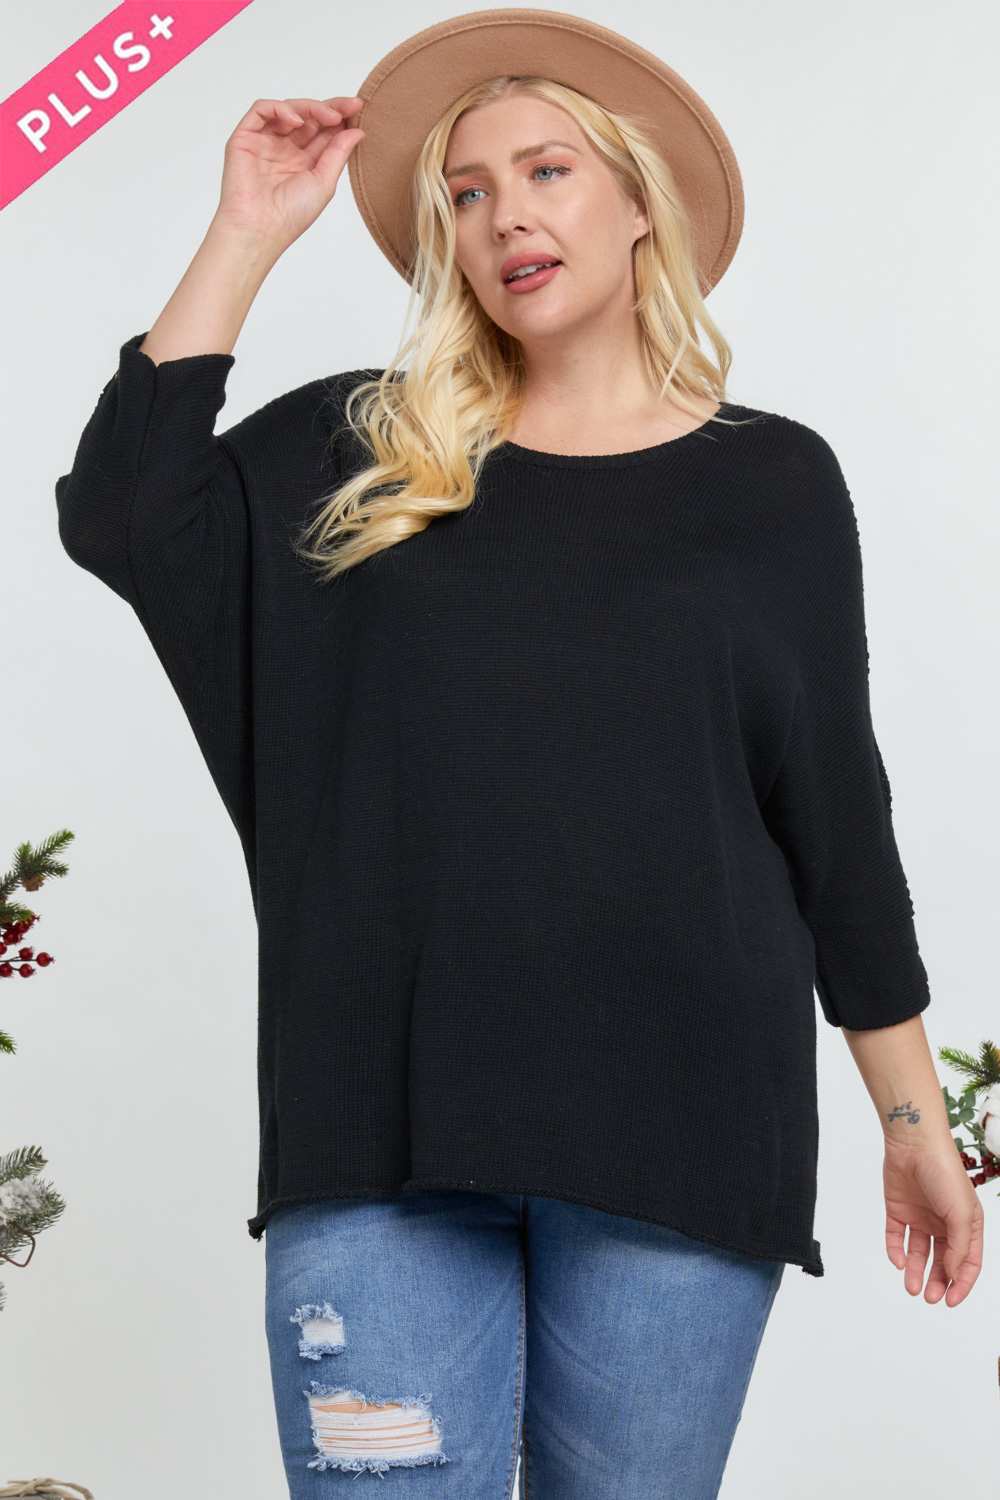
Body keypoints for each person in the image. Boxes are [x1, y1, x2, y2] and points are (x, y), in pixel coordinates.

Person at [54, 9, 982, 1496]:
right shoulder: (357, 452)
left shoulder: (773, 483)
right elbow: (121, 513)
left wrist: (911, 1119)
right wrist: (247, 231)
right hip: (382, 1129)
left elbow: (835, 822)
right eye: (467, 193)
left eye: (548, 171)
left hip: (684, 1132)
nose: (505, 217)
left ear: (637, 201)